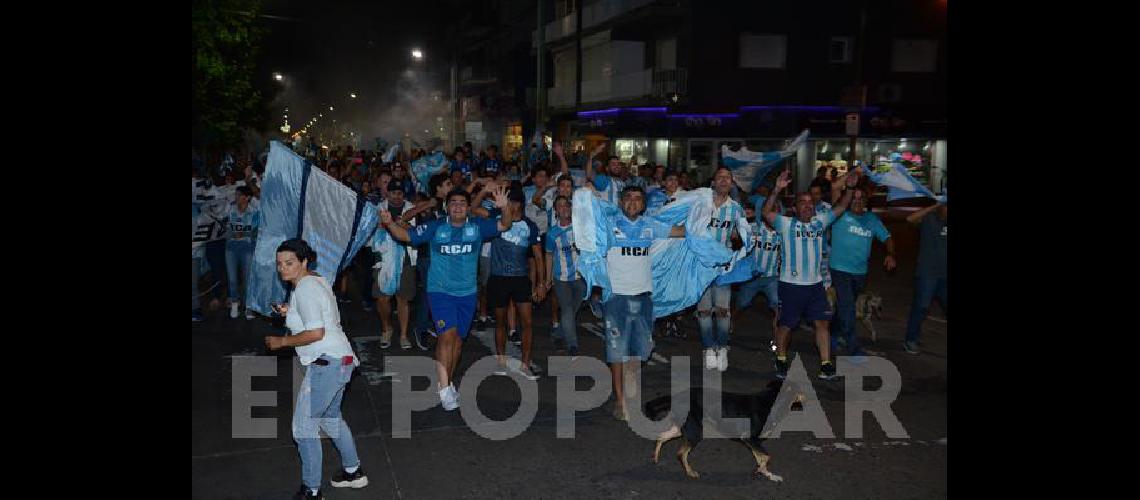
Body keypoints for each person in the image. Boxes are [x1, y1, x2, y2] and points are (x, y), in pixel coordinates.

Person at [380, 186, 513, 410]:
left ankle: (448, 383)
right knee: (446, 336)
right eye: (453, 203)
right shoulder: (436, 226)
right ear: (447, 207)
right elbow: (406, 235)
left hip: (468, 293)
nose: (458, 206)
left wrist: (504, 207)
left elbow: (505, 224)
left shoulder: (478, 226)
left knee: (458, 341)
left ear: (468, 207)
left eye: (462, 202)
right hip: (440, 291)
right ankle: (443, 388)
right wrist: (389, 223)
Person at [263, 239, 369, 500]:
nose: (282, 269)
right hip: (341, 359)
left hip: (327, 363)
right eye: (279, 264)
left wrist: (282, 341)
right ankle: (353, 472)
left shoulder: (305, 288)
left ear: (303, 262)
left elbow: (315, 332)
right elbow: (320, 316)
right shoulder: (316, 280)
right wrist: (290, 311)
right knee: (330, 419)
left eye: (289, 263)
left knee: (303, 428)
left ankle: (311, 490)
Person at [598, 185, 686, 420]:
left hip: (643, 299)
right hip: (616, 298)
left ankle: (630, 394)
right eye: (628, 198)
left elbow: (680, 232)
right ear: (621, 202)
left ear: (644, 205)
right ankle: (620, 401)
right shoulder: (609, 225)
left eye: (638, 199)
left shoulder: (650, 226)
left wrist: (706, 219)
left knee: (638, 351)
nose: (633, 202)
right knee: (617, 352)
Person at [763, 168, 857, 380]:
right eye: (802, 203)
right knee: (786, 325)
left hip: (815, 285)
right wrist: (777, 189)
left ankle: (825, 364)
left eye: (809, 202)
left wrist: (850, 187)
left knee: (822, 323)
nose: (807, 205)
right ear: (795, 209)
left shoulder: (820, 221)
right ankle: (780, 358)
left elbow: (842, 206)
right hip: (791, 285)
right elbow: (766, 213)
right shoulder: (786, 224)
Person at [476, 189, 545, 379]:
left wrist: (540, 283)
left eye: (514, 203)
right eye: (508, 202)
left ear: (521, 204)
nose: (511, 206)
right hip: (498, 278)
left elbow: (538, 256)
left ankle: (525, 362)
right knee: (500, 321)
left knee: (528, 322)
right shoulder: (497, 218)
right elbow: (473, 209)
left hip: (521, 278)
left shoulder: (529, 225)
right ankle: (500, 361)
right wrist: (482, 190)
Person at [827, 179, 896, 359]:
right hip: (839, 270)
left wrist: (890, 254)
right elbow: (835, 187)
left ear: (866, 201)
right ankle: (854, 349)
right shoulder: (839, 214)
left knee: (844, 308)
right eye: (854, 198)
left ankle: (832, 335)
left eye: (861, 199)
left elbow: (887, 237)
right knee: (848, 309)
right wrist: (852, 174)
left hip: (860, 274)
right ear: (849, 200)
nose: (857, 202)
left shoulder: (871, 220)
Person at [697, 167, 745, 372]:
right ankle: (709, 348)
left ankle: (723, 348)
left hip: (723, 267)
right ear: (713, 182)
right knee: (704, 311)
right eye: (720, 177)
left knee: (723, 311)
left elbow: (737, 234)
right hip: (700, 265)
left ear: (731, 183)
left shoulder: (736, 209)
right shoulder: (700, 206)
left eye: (728, 177)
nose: (724, 180)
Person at [370, 181, 419, 350]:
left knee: (403, 298)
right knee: (382, 298)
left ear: (404, 195)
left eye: (400, 193)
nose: (396, 196)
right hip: (383, 258)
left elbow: (417, 232)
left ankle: (404, 335)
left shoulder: (413, 209)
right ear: (387, 194)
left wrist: (405, 226)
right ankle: (386, 328)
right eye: (393, 193)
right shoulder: (377, 209)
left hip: (406, 257)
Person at [903, 200, 947, 355]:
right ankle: (911, 340)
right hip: (927, 273)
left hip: (945, 274)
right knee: (921, 307)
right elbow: (910, 219)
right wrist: (934, 207)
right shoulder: (929, 218)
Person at [544, 195, 584, 358]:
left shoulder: (580, 228)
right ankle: (572, 345)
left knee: (573, 310)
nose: (564, 208)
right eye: (560, 206)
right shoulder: (552, 234)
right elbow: (548, 256)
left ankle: (558, 333)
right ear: (555, 211)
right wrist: (548, 279)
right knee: (567, 310)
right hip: (561, 278)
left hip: (581, 277)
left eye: (566, 205)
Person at [225, 186, 261, 320]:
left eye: (239, 195)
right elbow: (225, 228)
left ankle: (248, 307)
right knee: (232, 278)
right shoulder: (230, 209)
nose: (236, 197)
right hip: (231, 248)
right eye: (236, 194)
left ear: (247, 197)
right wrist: (231, 233)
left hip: (247, 248)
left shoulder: (254, 212)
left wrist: (243, 233)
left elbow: (257, 231)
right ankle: (235, 303)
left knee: (248, 279)